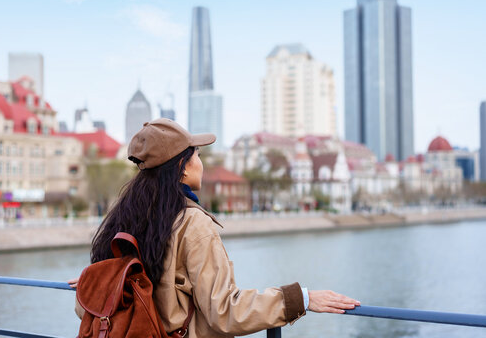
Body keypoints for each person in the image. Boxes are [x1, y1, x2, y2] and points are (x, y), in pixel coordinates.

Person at [69, 118, 360, 337]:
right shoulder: (192, 223)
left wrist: (96, 280)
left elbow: (86, 308)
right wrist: (303, 299)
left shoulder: (124, 215)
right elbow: (225, 312)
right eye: (196, 155)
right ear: (182, 167)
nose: (200, 162)